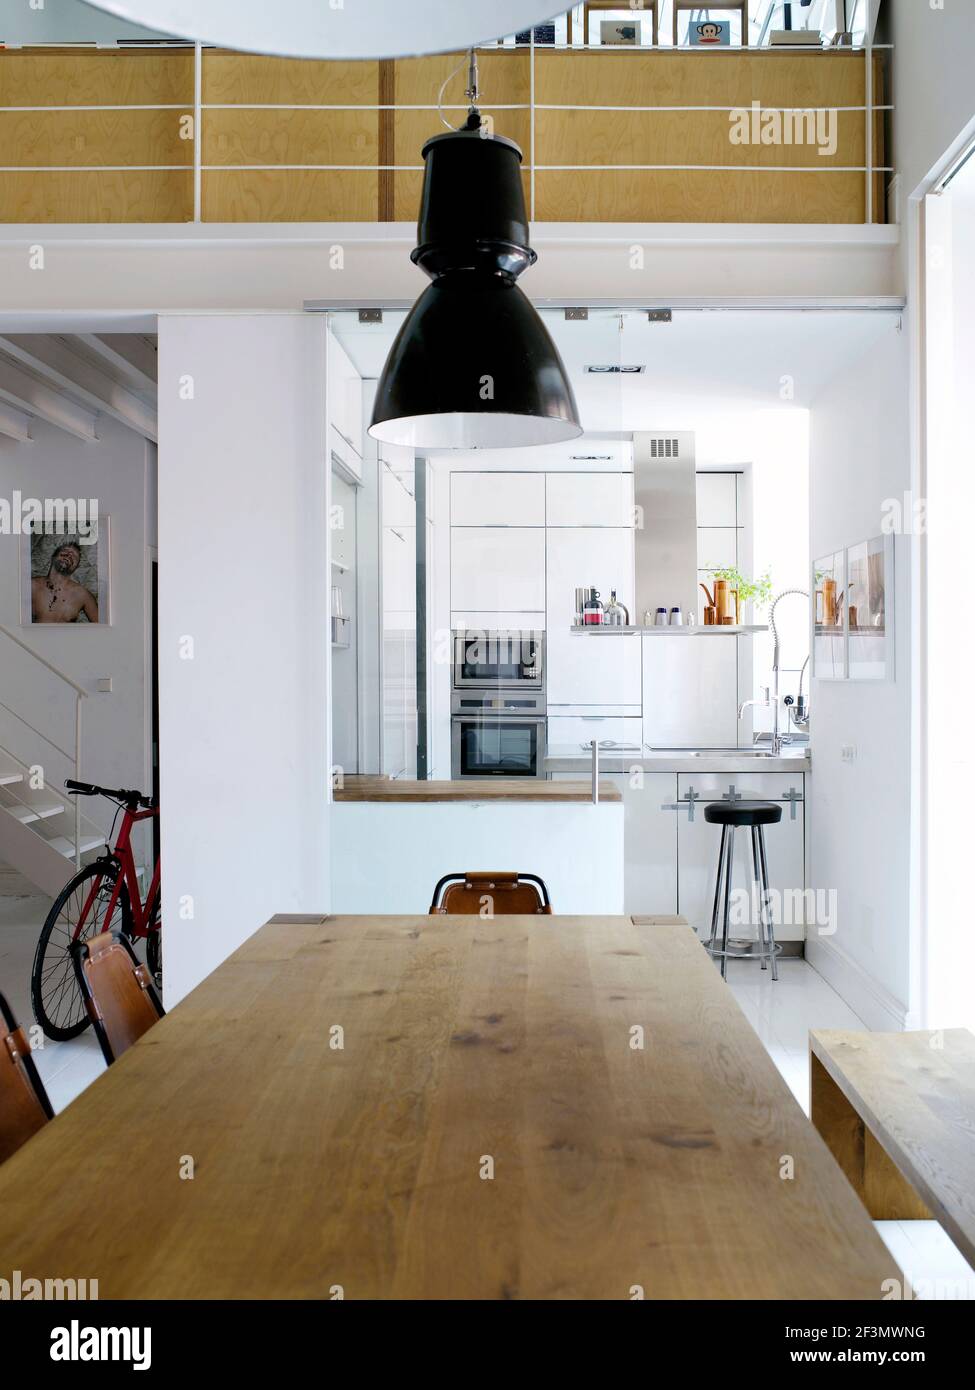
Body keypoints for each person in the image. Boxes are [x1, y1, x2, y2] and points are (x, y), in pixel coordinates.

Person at [31, 542, 99, 624]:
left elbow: (102, 628)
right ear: (53, 557)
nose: (69, 554)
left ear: (76, 567)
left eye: (74, 556)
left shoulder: (83, 595)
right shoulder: (31, 585)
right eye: (65, 551)